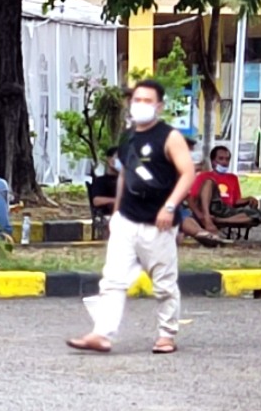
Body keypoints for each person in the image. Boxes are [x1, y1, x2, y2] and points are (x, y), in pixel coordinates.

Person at [69, 80, 193, 356]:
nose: (141, 105)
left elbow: (188, 173)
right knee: (112, 280)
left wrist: (171, 207)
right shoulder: (128, 137)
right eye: (137, 100)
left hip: (158, 223)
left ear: (159, 106)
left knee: (163, 283)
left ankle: (166, 335)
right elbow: (125, 174)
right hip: (127, 220)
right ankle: (101, 334)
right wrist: (115, 217)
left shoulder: (169, 137)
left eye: (148, 101)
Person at [190, 144, 261, 237]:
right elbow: (192, 199)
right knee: (209, 182)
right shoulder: (204, 176)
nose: (224, 162)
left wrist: (249, 199)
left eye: (227, 159)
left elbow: (235, 201)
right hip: (211, 207)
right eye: (221, 159)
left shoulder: (233, 178)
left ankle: (219, 221)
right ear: (213, 161)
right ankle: (208, 220)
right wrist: (200, 215)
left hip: (226, 211)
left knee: (257, 215)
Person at [87, 146, 120, 219]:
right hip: (108, 216)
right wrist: (116, 201)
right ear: (109, 159)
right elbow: (96, 201)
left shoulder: (129, 180)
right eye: (118, 157)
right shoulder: (101, 181)